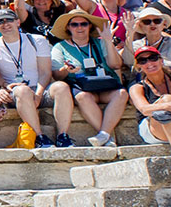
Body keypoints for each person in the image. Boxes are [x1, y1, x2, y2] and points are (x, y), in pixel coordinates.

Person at [0, 7, 74, 147]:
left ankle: (63, 136)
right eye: (1, 22)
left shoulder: (37, 40)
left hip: (40, 87)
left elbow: (45, 72)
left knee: (62, 87)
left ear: (18, 22)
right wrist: (0, 90)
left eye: (9, 20)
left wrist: (38, 94)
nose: (5, 24)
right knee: (23, 91)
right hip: (15, 93)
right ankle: (40, 137)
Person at [49, 11, 128, 147]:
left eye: (83, 24)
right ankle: (107, 137)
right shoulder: (60, 47)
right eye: (74, 24)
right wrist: (65, 70)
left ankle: (104, 134)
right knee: (82, 97)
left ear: (90, 26)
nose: (79, 27)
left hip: (105, 86)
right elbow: (57, 76)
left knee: (122, 94)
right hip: (83, 88)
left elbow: (115, 65)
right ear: (68, 27)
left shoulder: (100, 43)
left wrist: (108, 42)